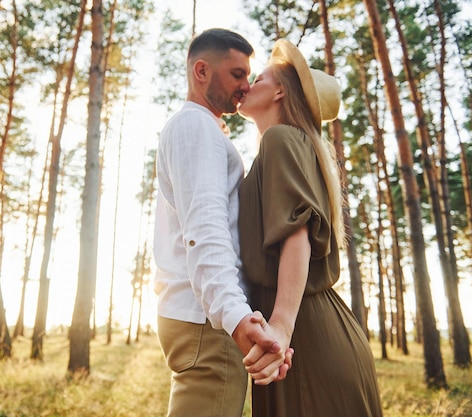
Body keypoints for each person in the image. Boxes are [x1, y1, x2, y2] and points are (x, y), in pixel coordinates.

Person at [237, 38, 383, 416]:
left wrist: (282, 326)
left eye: (259, 78)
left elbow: (297, 235)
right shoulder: (295, 145)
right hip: (318, 328)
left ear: (280, 91)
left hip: (302, 336)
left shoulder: (281, 139)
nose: (247, 83)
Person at [153, 29, 290, 417]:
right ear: (201, 71)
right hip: (208, 321)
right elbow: (205, 231)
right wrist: (235, 316)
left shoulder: (202, 129)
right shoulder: (196, 129)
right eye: (236, 74)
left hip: (201, 315)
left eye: (248, 76)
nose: (245, 86)